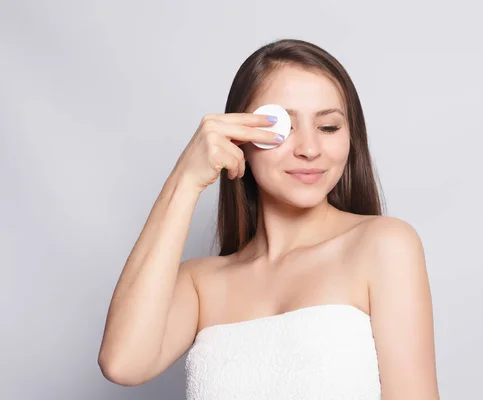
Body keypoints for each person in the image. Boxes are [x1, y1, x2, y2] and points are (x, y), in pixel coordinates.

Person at [98, 38, 440, 399]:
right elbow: (122, 363)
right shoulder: (200, 285)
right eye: (283, 127)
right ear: (240, 138)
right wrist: (185, 180)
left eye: (328, 127)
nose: (309, 149)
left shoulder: (383, 246)